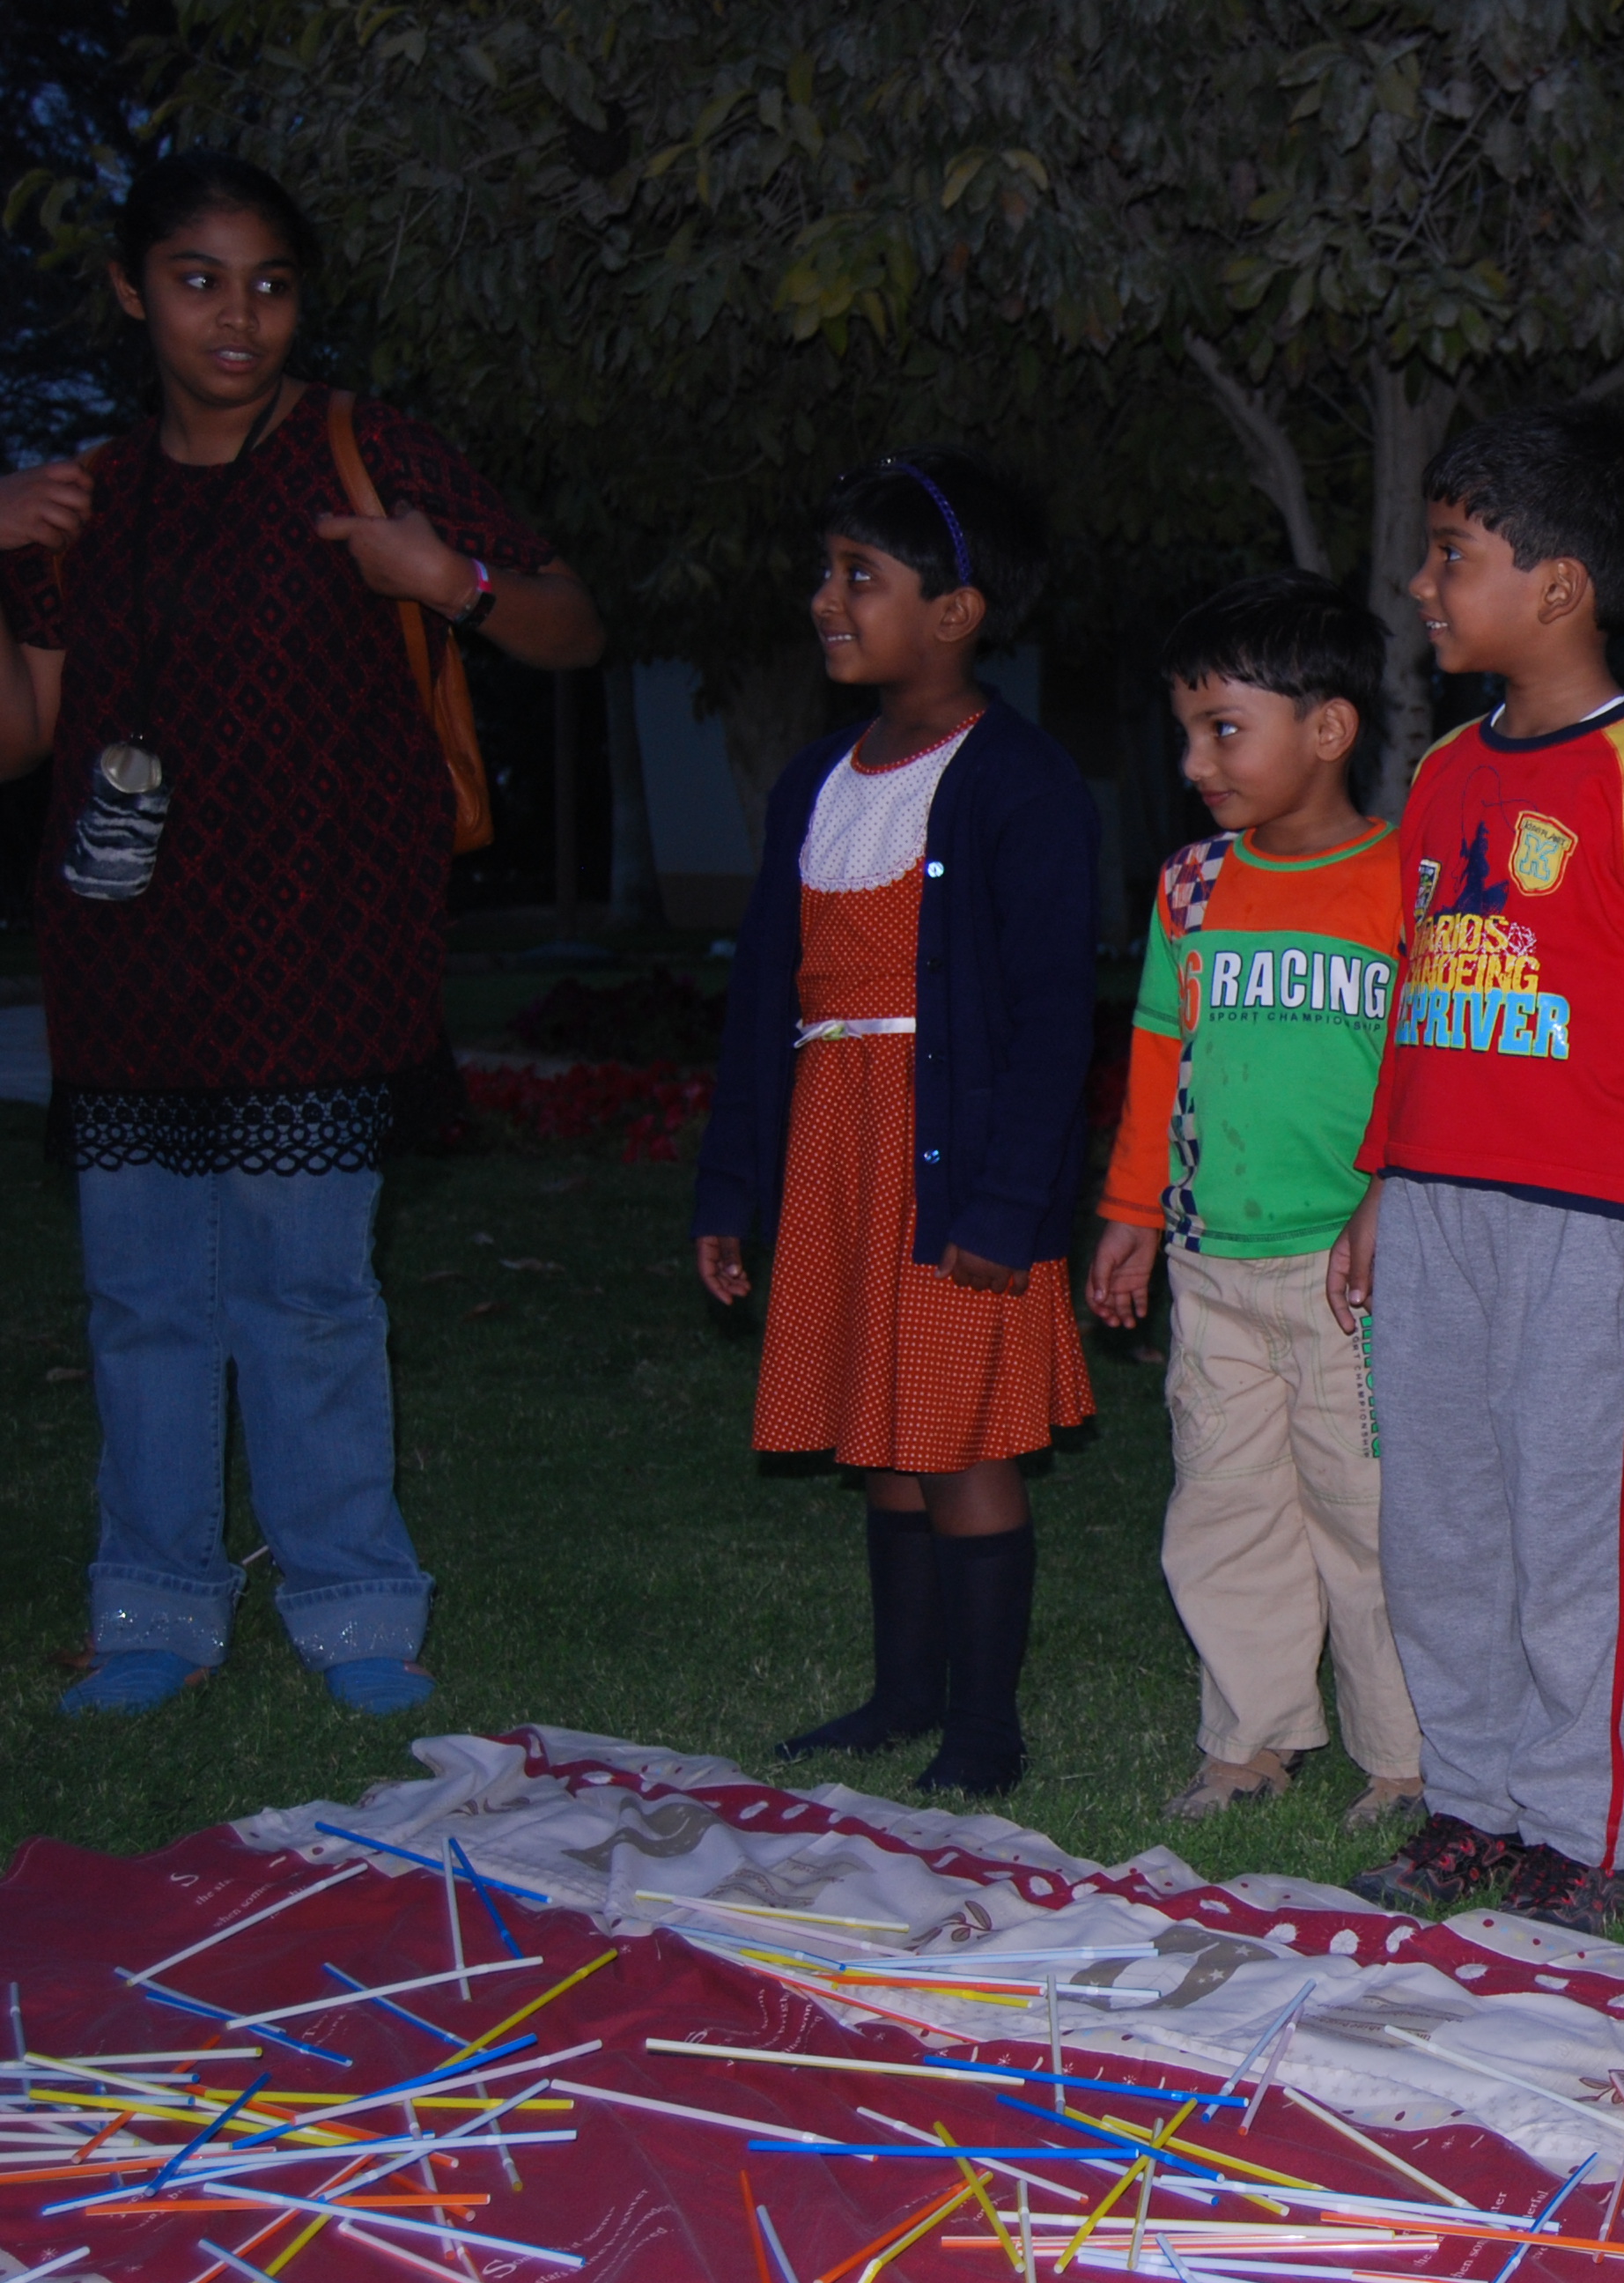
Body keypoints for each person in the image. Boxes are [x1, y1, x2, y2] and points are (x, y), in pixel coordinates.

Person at [0, 152, 603, 1717]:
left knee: (311, 1298)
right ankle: (152, 1609)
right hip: (127, 963)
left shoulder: (363, 450)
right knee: (142, 1306)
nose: (238, 317)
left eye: (269, 284)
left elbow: (568, 621)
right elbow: (24, 732)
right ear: (132, 291)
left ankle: (352, 1610)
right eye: (198, 279)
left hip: (323, 951)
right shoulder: (82, 499)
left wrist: (446, 576)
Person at [1330, 403, 1624, 1936]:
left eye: (1453, 556)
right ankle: (1472, 1802)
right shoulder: (1445, 773)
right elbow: (1412, 997)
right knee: (1442, 1520)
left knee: (1580, 1528)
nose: (1423, 586)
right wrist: (1381, 1180)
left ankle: (1583, 1827)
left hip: (1592, 1226)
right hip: (1439, 1211)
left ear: (1559, 586)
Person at [690, 449, 1096, 1800]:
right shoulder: (815, 781)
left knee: (960, 1436)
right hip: (841, 1150)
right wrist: (731, 1189)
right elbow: (765, 1000)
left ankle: (984, 1728)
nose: (827, 600)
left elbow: (1054, 1021)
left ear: (956, 612)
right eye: (826, 573)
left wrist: (1007, 1206)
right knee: (883, 1427)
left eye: (861, 576)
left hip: (955, 1168)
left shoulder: (1020, 782)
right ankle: (903, 1693)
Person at [1083, 570, 1425, 1834]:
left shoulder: (1406, 884)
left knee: (1367, 1516)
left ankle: (1405, 1758)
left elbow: (1433, 1072)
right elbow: (1157, 1055)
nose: (1194, 762)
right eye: (1186, 731)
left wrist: (1393, 1196)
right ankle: (1251, 1737)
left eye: (1223, 729)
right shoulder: (1191, 886)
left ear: (1328, 728)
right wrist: (1130, 1214)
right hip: (1211, 1266)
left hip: (1348, 1277)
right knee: (1224, 1505)